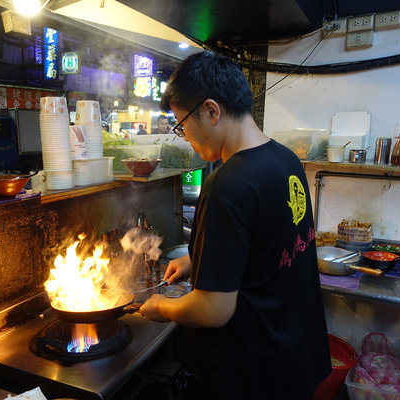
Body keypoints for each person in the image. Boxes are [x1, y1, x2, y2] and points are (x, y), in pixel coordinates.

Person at [139, 51, 331, 399]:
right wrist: (199, 260)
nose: (185, 137)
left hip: (254, 371)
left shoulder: (227, 185)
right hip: (293, 355)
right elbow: (266, 247)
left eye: (182, 126)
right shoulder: (285, 159)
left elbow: (213, 310)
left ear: (211, 111)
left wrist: (160, 308)